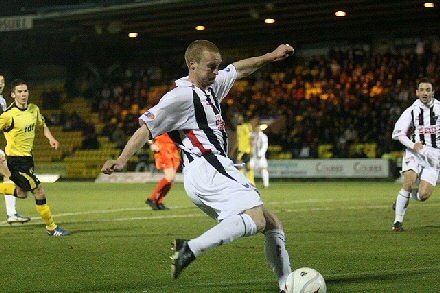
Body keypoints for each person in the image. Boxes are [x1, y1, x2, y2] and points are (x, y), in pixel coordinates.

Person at [102, 40, 294, 292]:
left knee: (272, 224)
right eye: (211, 67)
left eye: (217, 67)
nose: (216, 72)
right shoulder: (180, 96)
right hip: (208, 166)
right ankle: (189, 248)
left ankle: (287, 284)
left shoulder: (210, 86)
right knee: (257, 220)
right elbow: (146, 128)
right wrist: (122, 160)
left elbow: (238, 69)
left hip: (208, 170)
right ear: (192, 65)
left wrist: (271, 55)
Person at [0, 79, 70, 236]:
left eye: (25, 91)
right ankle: (52, 227)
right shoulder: (8, 116)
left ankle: (51, 227)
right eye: (19, 91)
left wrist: (50, 138)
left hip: (28, 159)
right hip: (16, 161)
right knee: (39, 192)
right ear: (12, 95)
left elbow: (42, 125)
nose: (23, 94)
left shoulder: (34, 109)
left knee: (22, 193)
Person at [391, 77, 439, 232]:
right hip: (415, 152)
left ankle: (402, 198)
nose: (425, 93)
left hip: (433, 156)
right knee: (409, 180)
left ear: (433, 92)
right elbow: (398, 134)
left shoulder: (439, 109)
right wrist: (414, 145)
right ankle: (397, 222)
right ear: (417, 93)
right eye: (422, 90)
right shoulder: (411, 111)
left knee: (423, 195)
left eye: (428, 90)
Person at [0, 75, 31, 224]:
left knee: (9, 175)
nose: (0, 84)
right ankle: (11, 214)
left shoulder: (3, 101)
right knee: (9, 174)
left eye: (2, 82)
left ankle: (12, 214)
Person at [145, 133, 180, 210]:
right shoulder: (157, 121)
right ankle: (152, 198)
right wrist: (151, 143)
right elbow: (147, 128)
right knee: (169, 177)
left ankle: (159, 202)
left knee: (172, 180)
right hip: (163, 148)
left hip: (173, 148)